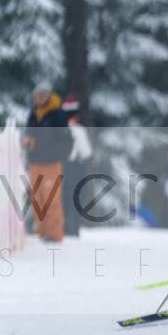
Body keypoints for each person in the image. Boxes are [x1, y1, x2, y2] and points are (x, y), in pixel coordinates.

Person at [22, 83, 73, 243]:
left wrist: (51, 153)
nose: (38, 99)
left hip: (51, 164)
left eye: (41, 96)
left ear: (47, 96)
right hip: (34, 162)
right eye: (36, 96)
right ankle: (42, 233)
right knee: (36, 200)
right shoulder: (33, 113)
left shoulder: (57, 114)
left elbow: (67, 141)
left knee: (51, 199)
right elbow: (29, 133)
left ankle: (54, 234)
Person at [61, 92, 93, 237]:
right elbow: (86, 153)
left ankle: (63, 228)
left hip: (60, 167)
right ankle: (73, 230)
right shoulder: (79, 131)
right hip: (76, 167)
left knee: (63, 199)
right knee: (76, 199)